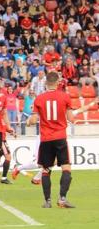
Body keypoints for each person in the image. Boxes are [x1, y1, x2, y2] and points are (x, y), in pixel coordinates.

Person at [28, 72, 98, 208]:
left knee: (46, 170)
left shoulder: (39, 99)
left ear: (46, 82)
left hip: (46, 138)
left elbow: (35, 119)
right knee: (66, 168)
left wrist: (29, 122)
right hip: (60, 137)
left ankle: (47, 201)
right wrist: (73, 119)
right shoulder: (65, 97)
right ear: (58, 81)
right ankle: (62, 199)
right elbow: (71, 118)